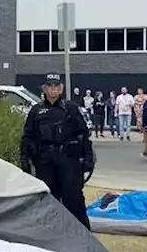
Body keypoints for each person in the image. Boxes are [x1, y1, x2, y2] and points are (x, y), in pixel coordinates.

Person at [20, 73, 94, 228]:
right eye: (50, 86)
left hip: (68, 161)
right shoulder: (36, 110)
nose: (53, 90)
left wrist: (88, 158)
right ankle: (52, 236)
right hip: (45, 161)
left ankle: (83, 234)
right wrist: (24, 159)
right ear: (45, 89)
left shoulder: (71, 108)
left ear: (61, 89)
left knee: (73, 199)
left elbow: (83, 135)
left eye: (56, 86)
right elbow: (28, 136)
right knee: (49, 200)